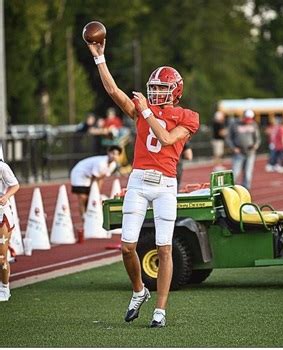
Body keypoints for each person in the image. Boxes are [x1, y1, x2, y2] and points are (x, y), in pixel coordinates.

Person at [87, 40, 199, 328]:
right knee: (127, 247)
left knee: (164, 247)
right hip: (138, 180)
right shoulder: (141, 110)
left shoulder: (187, 117)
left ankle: (160, 310)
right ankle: (139, 290)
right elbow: (113, 91)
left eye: (162, 88)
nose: (155, 92)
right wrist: (100, 59)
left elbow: (166, 139)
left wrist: (147, 112)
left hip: (165, 184)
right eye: (154, 88)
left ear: (175, 92)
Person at [70, 145, 122, 221]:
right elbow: (94, 179)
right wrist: (94, 193)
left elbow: (101, 178)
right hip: (80, 174)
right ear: (108, 153)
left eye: (117, 154)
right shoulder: (101, 163)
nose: (114, 156)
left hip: (89, 176)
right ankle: (83, 217)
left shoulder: (113, 165)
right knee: (83, 197)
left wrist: (96, 193)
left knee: (90, 197)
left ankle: (89, 214)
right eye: (113, 153)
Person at [0, 160, 20, 302]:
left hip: (1, 213)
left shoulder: (2, 167)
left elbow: (15, 185)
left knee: (1, 256)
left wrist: (6, 196)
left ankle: (4, 288)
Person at [226, 109, 261, 190]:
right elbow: (229, 138)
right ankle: (231, 188)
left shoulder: (254, 124)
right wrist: (233, 148)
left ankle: (246, 188)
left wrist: (255, 145)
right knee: (235, 172)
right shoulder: (234, 124)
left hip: (250, 152)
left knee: (248, 172)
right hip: (238, 151)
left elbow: (257, 138)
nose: (248, 121)